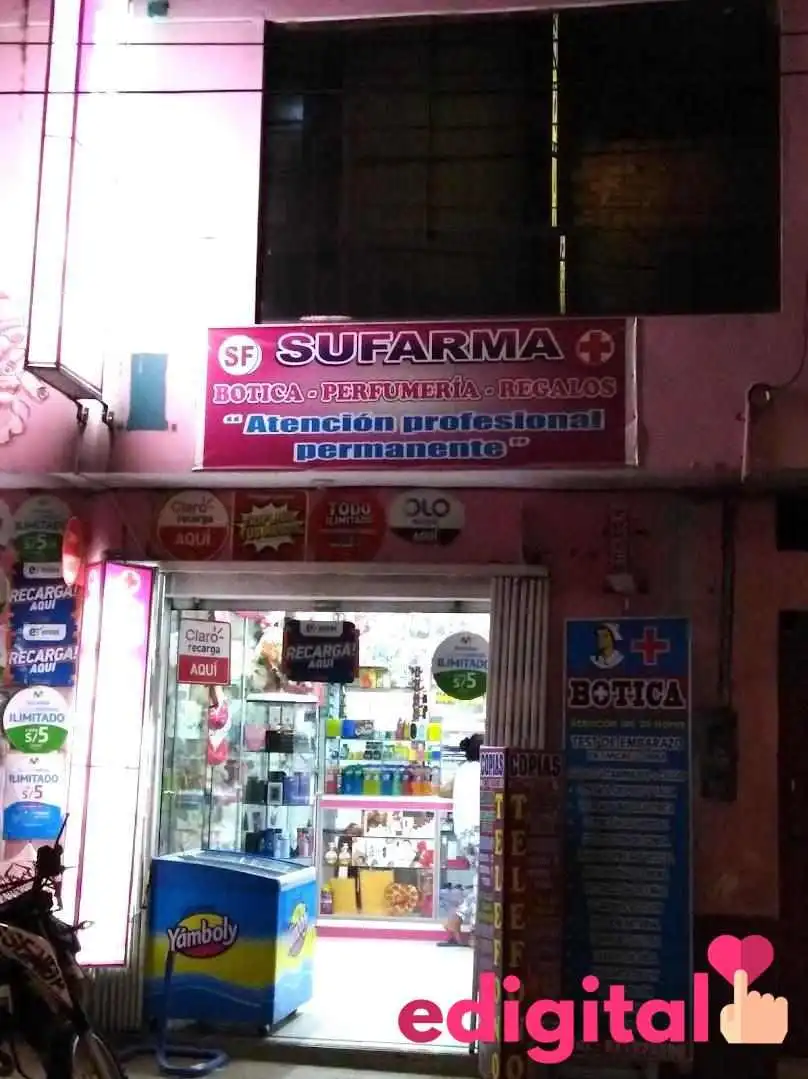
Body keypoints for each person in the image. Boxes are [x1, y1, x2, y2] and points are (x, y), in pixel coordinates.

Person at [438, 733, 482, 947]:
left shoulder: (462, 770)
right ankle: (468, 926)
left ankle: (461, 922)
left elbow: (444, 791)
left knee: (482, 879)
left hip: (464, 833)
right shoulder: (486, 770)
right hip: (480, 831)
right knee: (486, 880)